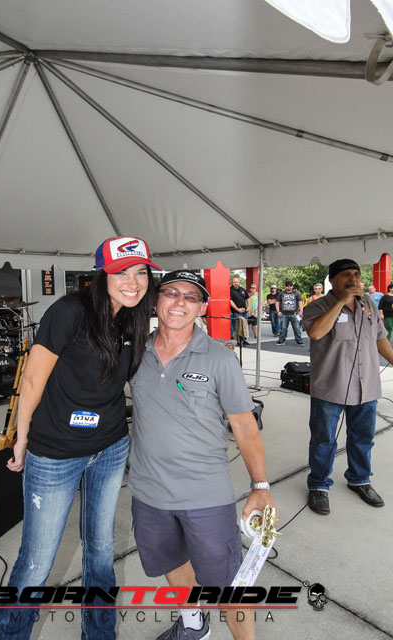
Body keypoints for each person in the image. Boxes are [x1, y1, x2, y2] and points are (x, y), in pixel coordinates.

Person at [0, 236, 158, 640]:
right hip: (55, 453)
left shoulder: (134, 318)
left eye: (140, 272)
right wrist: (21, 436)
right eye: (122, 272)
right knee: (36, 561)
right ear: (101, 274)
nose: (133, 282)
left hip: (111, 447)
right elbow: (33, 379)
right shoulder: (69, 311)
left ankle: (99, 634)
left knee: (100, 549)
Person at [128, 270, 277, 640]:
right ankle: (194, 624)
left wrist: (260, 487)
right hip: (148, 494)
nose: (180, 302)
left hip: (205, 496)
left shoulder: (219, 359)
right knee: (172, 562)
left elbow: (245, 426)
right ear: (155, 300)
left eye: (191, 296)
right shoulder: (135, 352)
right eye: (171, 292)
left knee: (229, 586)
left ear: (203, 307)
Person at [303, 259, 393, 515]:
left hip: (367, 387)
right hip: (331, 387)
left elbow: (381, 339)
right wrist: (341, 302)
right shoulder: (317, 306)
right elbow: (316, 333)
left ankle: (359, 479)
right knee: (324, 440)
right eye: (346, 275)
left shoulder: (369, 305)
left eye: (356, 274)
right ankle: (319, 485)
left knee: (363, 437)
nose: (353, 279)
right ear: (332, 280)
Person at [275, 280, 304, 345]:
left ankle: (299, 340)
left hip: (294, 313)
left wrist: (301, 311)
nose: (289, 287)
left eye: (290, 286)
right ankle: (281, 340)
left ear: (292, 286)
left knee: (296, 328)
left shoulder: (297, 293)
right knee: (283, 329)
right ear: (285, 286)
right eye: (287, 286)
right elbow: (277, 302)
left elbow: (300, 302)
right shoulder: (281, 293)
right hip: (284, 314)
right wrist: (278, 311)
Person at [229, 276, 249, 345]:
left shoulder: (242, 289)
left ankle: (243, 340)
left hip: (244, 311)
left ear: (239, 282)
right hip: (236, 312)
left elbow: (248, 298)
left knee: (245, 326)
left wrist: (248, 307)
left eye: (237, 282)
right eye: (234, 282)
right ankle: (239, 341)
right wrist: (237, 309)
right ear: (232, 283)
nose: (236, 283)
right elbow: (230, 301)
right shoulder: (230, 290)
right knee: (239, 326)